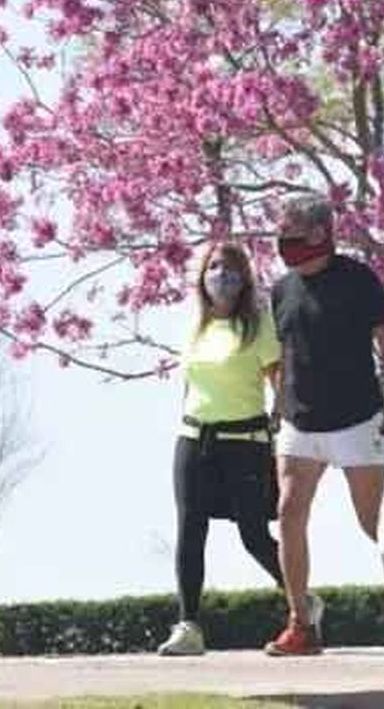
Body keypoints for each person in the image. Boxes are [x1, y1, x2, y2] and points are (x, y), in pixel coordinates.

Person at [264, 194, 384, 657]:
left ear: (322, 233)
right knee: (288, 512)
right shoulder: (281, 291)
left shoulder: (358, 280)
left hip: (355, 419)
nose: (284, 242)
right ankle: (301, 623)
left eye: (293, 233)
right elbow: (283, 355)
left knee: (375, 525)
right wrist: (278, 405)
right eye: (281, 234)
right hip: (300, 422)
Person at [157, 241, 290, 656]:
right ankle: (188, 626)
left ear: (245, 279)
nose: (221, 276)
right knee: (190, 530)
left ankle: (301, 599)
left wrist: (280, 425)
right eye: (214, 267)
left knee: (253, 535)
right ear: (202, 275)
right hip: (195, 439)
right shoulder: (196, 324)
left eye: (231, 270)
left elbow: (279, 381)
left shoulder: (258, 324)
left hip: (244, 442)